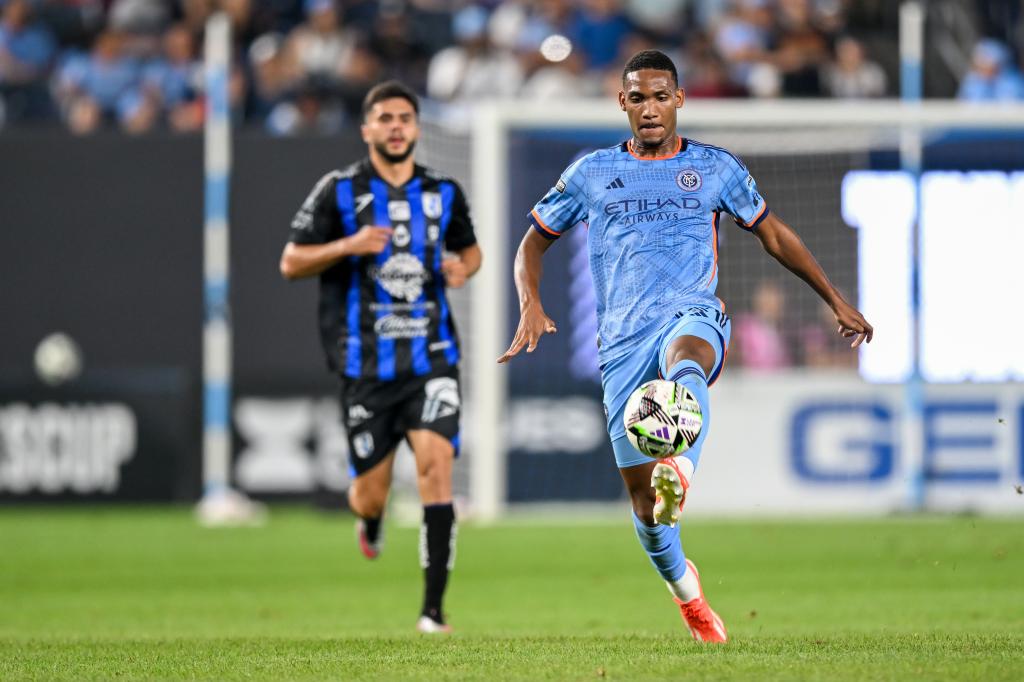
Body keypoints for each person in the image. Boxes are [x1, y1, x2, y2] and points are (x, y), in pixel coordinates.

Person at [498, 49, 871, 643]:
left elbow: (771, 233)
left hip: (690, 312)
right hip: (620, 344)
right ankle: (688, 595)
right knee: (648, 514)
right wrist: (530, 303)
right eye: (638, 98)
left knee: (688, 355)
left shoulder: (715, 168)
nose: (650, 108)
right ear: (622, 103)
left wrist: (834, 298)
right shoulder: (591, 173)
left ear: (680, 100)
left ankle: (680, 464)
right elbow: (533, 242)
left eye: (661, 96)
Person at [279, 80, 482, 634]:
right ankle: (369, 522)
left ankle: (433, 611)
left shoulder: (443, 192)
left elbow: (470, 251)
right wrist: (347, 246)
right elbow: (291, 261)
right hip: (366, 368)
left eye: (404, 118)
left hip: (432, 359)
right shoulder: (338, 191)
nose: (396, 127)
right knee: (370, 493)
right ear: (367, 128)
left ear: (416, 128)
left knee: (437, 471)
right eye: (385, 118)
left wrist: (464, 268)